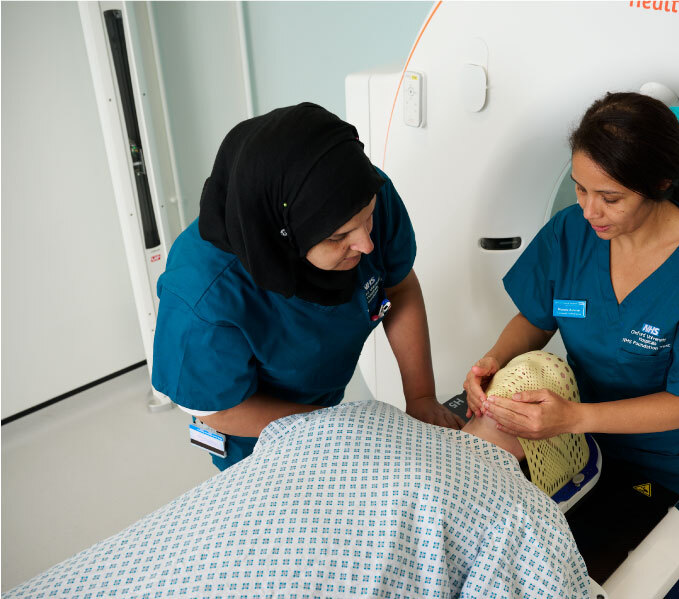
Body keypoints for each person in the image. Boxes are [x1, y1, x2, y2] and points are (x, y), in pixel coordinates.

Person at [463, 92, 679, 598]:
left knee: (635, 575)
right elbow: (534, 318)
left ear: (660, 185)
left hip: (659, 464)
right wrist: (496, 358)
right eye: (579, 189)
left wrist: (573, 419)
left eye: (610, 197)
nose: (589, 210)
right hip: (568, 441)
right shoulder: (570, 233)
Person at [8, 358, 596, 599]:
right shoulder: (521, 514)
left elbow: (277, 443)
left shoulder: (364, 414)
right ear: (543, 465)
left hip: (143, 565)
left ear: (474, 404)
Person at [152, 102, 462, 470]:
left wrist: (422, 396)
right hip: (252, 431)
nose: (366, 244)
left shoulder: (359, 196)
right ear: (285, 235)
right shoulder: (204, 294)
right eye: (339, 236)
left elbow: (399, 287)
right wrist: (341, 427)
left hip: (323, 398)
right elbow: (216, 410)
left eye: (369, 218)